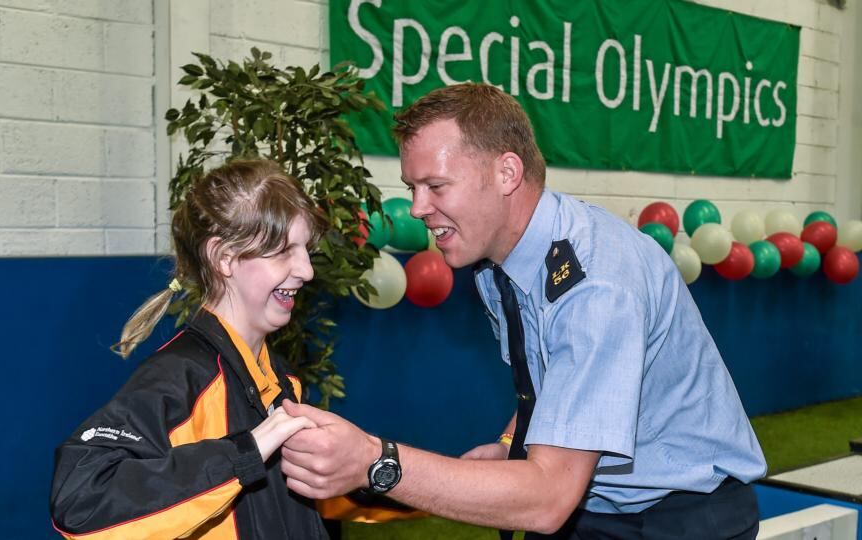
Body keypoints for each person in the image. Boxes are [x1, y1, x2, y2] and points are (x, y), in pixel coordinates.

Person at [279, 83, 768, 539]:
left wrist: (373, 462)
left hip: (681, 516)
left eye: (436, 186)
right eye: (413, 187)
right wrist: (516, 438)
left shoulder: (595, 286)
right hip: (598, 502)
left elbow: (549, 498)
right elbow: (552, 379)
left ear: (507, 173)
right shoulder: (497, 261)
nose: (416, 208)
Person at [50, 160, 331, 539]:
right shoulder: (179, 377)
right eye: (283, 251)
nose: (307, 270)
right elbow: (80, 501)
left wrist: (372, 466)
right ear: (224, 258)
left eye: (306, 249)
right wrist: (244, 452)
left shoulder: (284, 379)